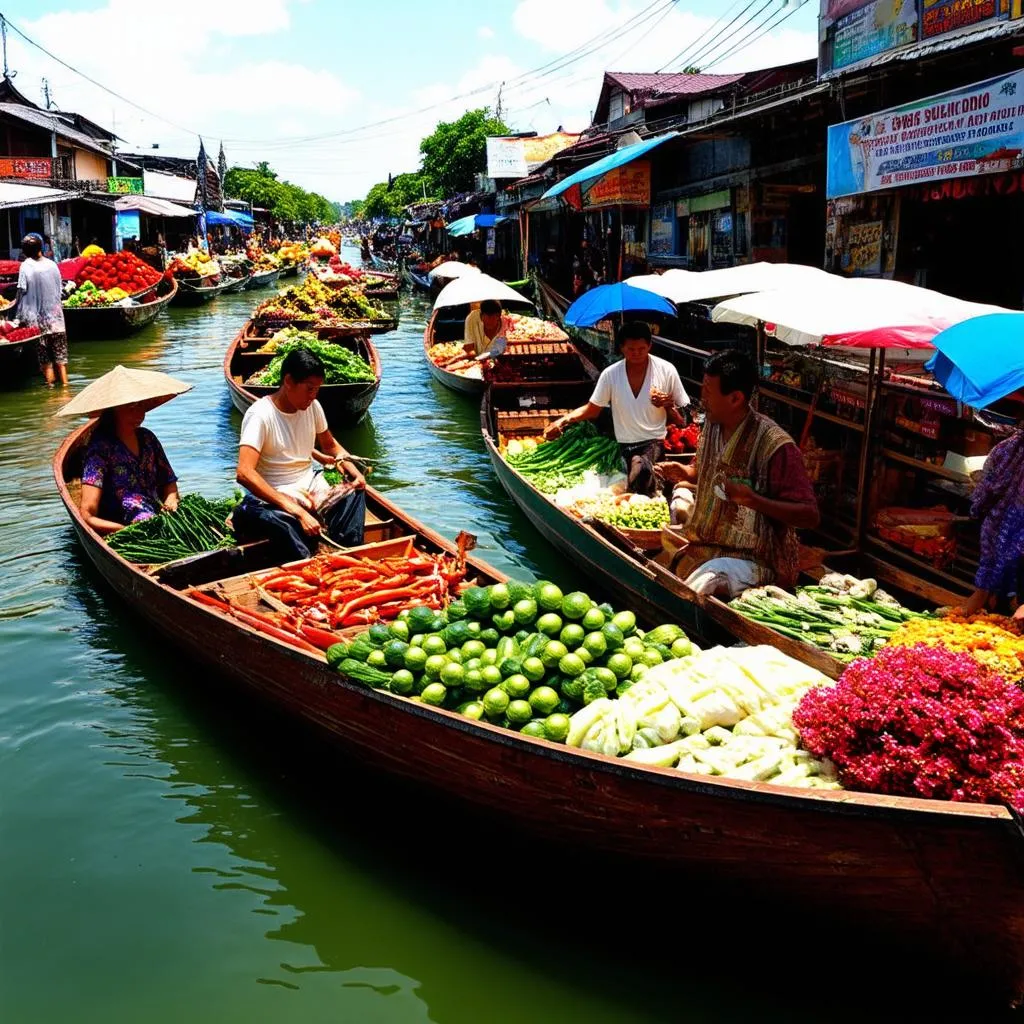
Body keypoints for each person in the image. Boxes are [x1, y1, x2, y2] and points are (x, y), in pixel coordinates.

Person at [658, 350, 819, 599]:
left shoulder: (775, 445)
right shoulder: (712, 424)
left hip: (757, 558)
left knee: (705, 580)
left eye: (709, 392)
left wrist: (753, 500)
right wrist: (686, 473)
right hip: (709, 544)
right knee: (672, 554)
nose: (702, 397)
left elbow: (809, 516)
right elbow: (704, 471)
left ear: (735, 398)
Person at [233, 347, 366, 561]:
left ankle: (347, 553)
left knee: (354, 492)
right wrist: (297, 511)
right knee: (282, 522)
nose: (313, 396)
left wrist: (353, 470)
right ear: (288, 381)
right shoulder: (260, 414)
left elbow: (331, 446)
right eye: (309, 389)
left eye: (317, 390)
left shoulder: (313, 407)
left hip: (308, 485)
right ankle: (308, 566)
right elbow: (244, 473)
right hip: (272, 494)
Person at [543, 322, 688, 496]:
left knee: (641, 470)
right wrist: (563, 420)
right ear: (621, 348)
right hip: (622, 443)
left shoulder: (666, 370)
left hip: (653, 441)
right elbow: (592, 409)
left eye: (641, 349)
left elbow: (682, 421)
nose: (636, 354)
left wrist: (668, 405)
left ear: (650, 345)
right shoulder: (611, 374)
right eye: (631, 349)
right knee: (617, 480)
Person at [80, 400, 180, 535]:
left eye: (141, 406)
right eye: (131, 407)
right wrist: (126, 531)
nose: (139, 414)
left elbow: (169, 481)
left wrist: (171, 499)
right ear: (113, 410)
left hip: (159, 515)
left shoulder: (147, 438)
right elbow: (87, 514)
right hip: (125, 523)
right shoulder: (100, 449)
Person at [961, 426, 1024, 617]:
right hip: (1001, 532)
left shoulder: (1009, 446)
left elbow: (985, 486)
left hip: (1000, 532)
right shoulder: (1011, 447)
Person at [14, 234, 68, 387]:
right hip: (57, 320)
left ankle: (51, 392)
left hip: (38, 323)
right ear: (41, 248)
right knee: (61, 360)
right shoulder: (52, 265)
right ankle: (65, 389)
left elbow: (21, 291)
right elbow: (59, 290)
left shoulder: (26, 265)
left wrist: (16, 313)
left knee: (46, 361)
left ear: (24, 251)